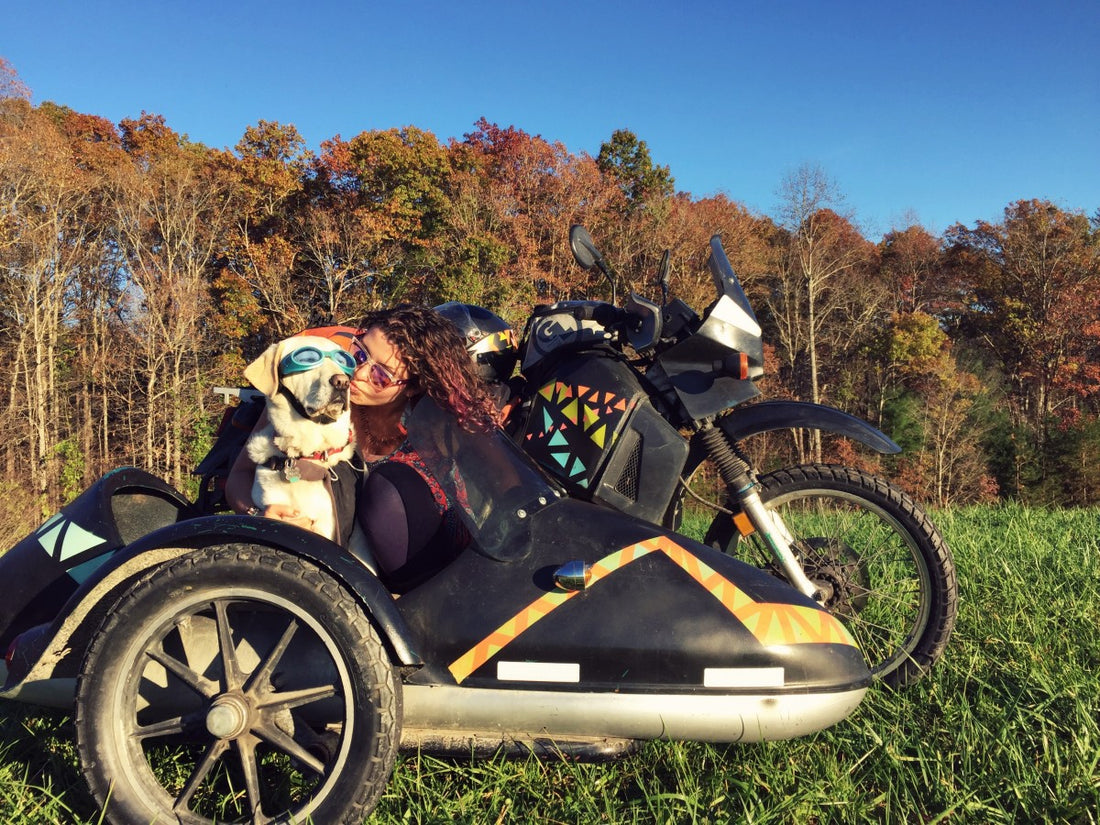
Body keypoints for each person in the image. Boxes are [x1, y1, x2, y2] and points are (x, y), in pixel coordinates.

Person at [226, 306, 498, 593]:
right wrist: (259, 515)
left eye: (381, 375)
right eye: (359, 354)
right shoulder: (309, 401)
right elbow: (239, 477)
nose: (358, 374)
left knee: (389, 490)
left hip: (429, 569)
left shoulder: (438, 422)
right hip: (339, 566)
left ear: (412, 387)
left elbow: (509, 485)